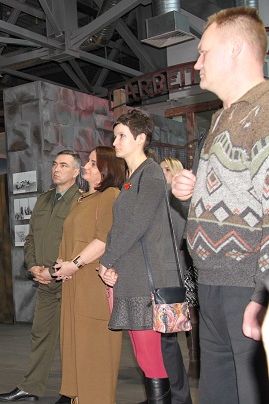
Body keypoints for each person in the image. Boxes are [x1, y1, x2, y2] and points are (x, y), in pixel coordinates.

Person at [170, 6, 269, 403]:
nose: (197, 64)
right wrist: (190, 198)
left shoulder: (265, 111)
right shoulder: (220, 119)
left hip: (247, 286)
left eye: (203, 52)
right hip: (212, 283)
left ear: (235, 49)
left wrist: (262, 296)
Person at [98, 110, 191, 404]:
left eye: (121, 135)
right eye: (114, 136)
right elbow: (121, 228)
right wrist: (112, 262)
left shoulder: (150, 173)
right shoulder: (132, 178)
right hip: (131, 277)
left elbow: (137, 223)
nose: (115, 142)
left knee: (151, 355)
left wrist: (107, 259)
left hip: (145, 282)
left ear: (141, 138)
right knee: (144, 354)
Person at [0, 150, 81, 402]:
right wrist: (33, 267)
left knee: (72, 339)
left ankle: (71, 392)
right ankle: (31, 387)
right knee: (40, 334)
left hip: (70, 281)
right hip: (44, 281)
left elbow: (79, 244)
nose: (56, 169)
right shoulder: (44, 199)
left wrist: (53, 271)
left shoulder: (81, 201)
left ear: (76, 172)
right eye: (55, 164)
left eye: (63, 165)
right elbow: (30, 237)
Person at [52, 146, 126, 404]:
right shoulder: (82, 199)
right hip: (75, 283)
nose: (86, 166)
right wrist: (63, 262)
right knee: (76, 348)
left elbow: (104, 240)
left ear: (107, 169)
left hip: (93, 283)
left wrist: (73, 264)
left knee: (95, 350)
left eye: (93, 163)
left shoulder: (110, 195)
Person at [160, 157, 200, 380]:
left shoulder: (181, 199)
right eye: (161, 169)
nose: (163, 173)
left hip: (187, 265)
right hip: (171, 266)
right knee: (176, 320)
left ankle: (195, 360)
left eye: (167, 170)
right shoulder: (160, 198)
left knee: (193, 317)